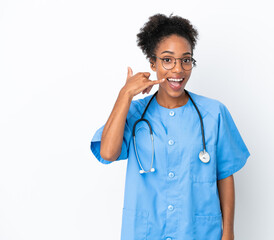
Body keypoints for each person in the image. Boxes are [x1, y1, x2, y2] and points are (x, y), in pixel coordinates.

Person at [90, 13, 250, 240]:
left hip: (198, 233)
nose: (178, 69)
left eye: (186, 60)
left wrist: (229, 233)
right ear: (153, 63)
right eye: (167, 59)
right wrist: (125, 94)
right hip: (146, 232)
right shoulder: (134, 113)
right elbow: (107, 152)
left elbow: (224, 176)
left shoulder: (214, 113)